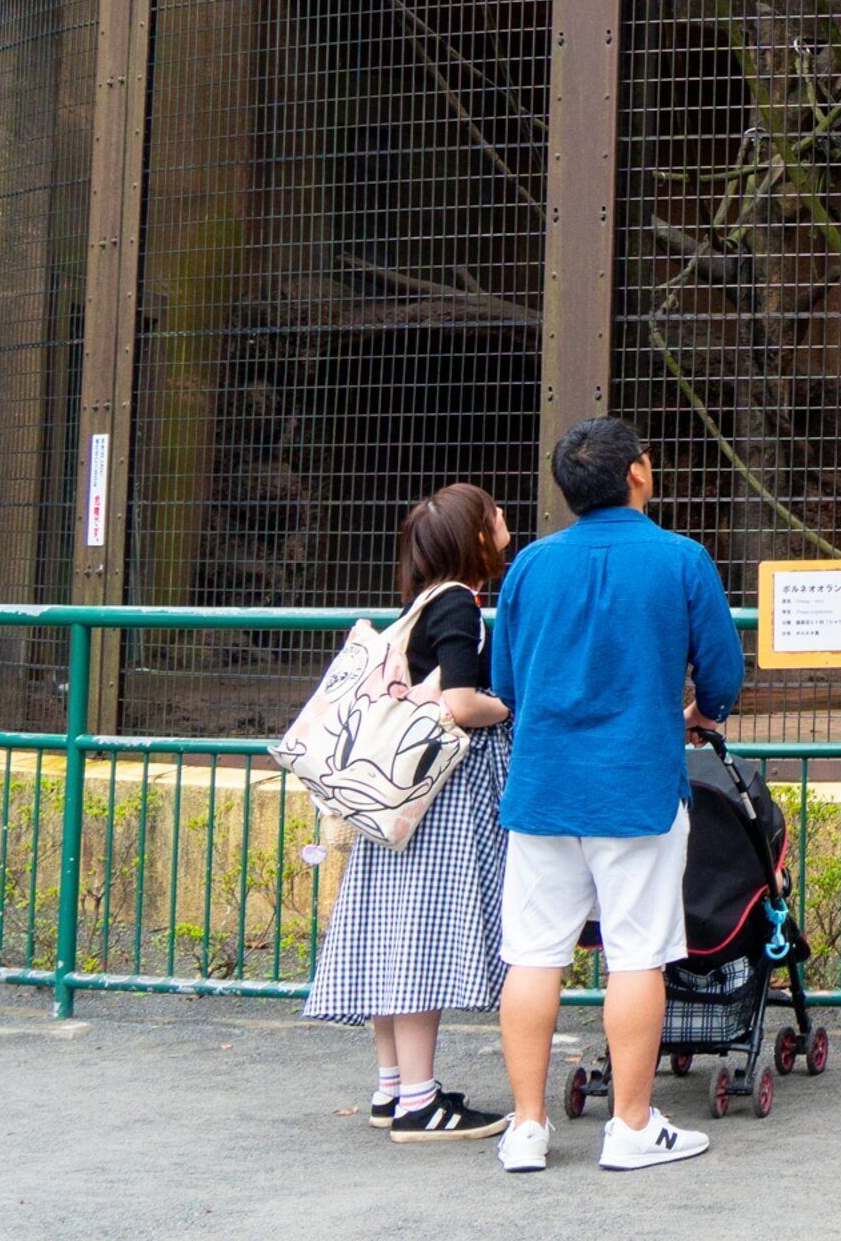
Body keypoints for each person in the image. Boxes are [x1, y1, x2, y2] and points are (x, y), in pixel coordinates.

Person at [488, 417, 744, 1176]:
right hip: (637, 788)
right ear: (638, 471)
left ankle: (527, 1128)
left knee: (533, 956)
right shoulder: (680, 559)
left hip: (541, 790)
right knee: (638, 955)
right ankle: (630, 1125)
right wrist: (702, 713)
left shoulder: (531, 567)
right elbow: (722, 676)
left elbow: (504, 684)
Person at [304, 484, 516, 1141]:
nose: (504, 519)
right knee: (418, 942)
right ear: (474, 538)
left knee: (395, 932)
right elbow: (456, 702)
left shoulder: (420, 603)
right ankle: (421, 1104)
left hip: (392, 800)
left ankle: (393, 1087)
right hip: (434, 801)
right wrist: (509, 707)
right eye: (493, 515)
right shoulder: (458, 603)